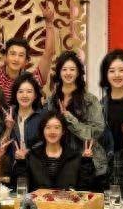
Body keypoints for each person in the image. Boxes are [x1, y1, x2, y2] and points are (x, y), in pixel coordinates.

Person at [45, 51, 107, 186]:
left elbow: (96, 132)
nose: (68, 73)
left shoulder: (89, 100)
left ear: (79, 72)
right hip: (61, 163)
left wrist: (70, 119)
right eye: (64, 69)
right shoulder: (51, 101)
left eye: (72, 69)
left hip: (87, 161)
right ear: (59, 72)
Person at [0, 2, 56, 104]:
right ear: (5, 57)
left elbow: (49, 54)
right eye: (12, 54)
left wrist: (49, 23)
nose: (16, 59)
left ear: (26, 61)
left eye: (21, 55)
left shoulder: (32, 80)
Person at [11, 110, 95, 191]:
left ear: (63, 131)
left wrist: (87, 162)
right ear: (43, 131)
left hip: (66, 201)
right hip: (38, 201)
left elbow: (85, 189)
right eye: (48, 127)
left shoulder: (75, 157)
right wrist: (20, 163)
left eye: (57, 127)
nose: (52, 131)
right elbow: (20, 188)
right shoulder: (32, 156)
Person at [6, 72, 45, 152]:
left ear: (35, 95)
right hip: (12, 160)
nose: (24, 95)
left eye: (29, 91)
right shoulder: (8, 115)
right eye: (20, 91)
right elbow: (2, 146)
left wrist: (28, 152)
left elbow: (45, 143)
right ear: (15, 94)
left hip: (35, 159)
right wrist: (8, 129)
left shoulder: (42, 117)